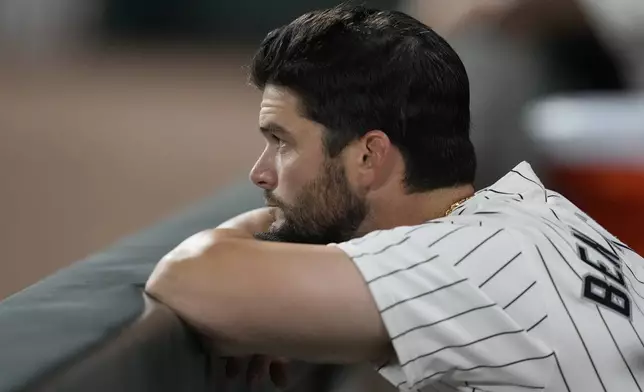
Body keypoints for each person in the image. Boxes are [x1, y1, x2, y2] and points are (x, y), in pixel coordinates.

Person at [145, 5, 644, 391]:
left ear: (368, 157)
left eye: (282, 142)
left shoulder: (456, 266)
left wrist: (264, 270)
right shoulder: (534, 213)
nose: (260, 172)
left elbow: (187, 278)